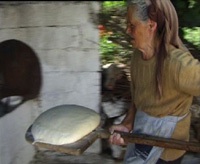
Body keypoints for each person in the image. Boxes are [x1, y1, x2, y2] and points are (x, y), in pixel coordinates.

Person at [109, 0, 200, 164]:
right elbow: (139, 98)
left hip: (166, 152)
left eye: (132, 25)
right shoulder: (137, 56)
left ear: (151, 25)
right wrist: (128, 123)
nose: (127, 30)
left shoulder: (177, 64)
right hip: (142, 133)